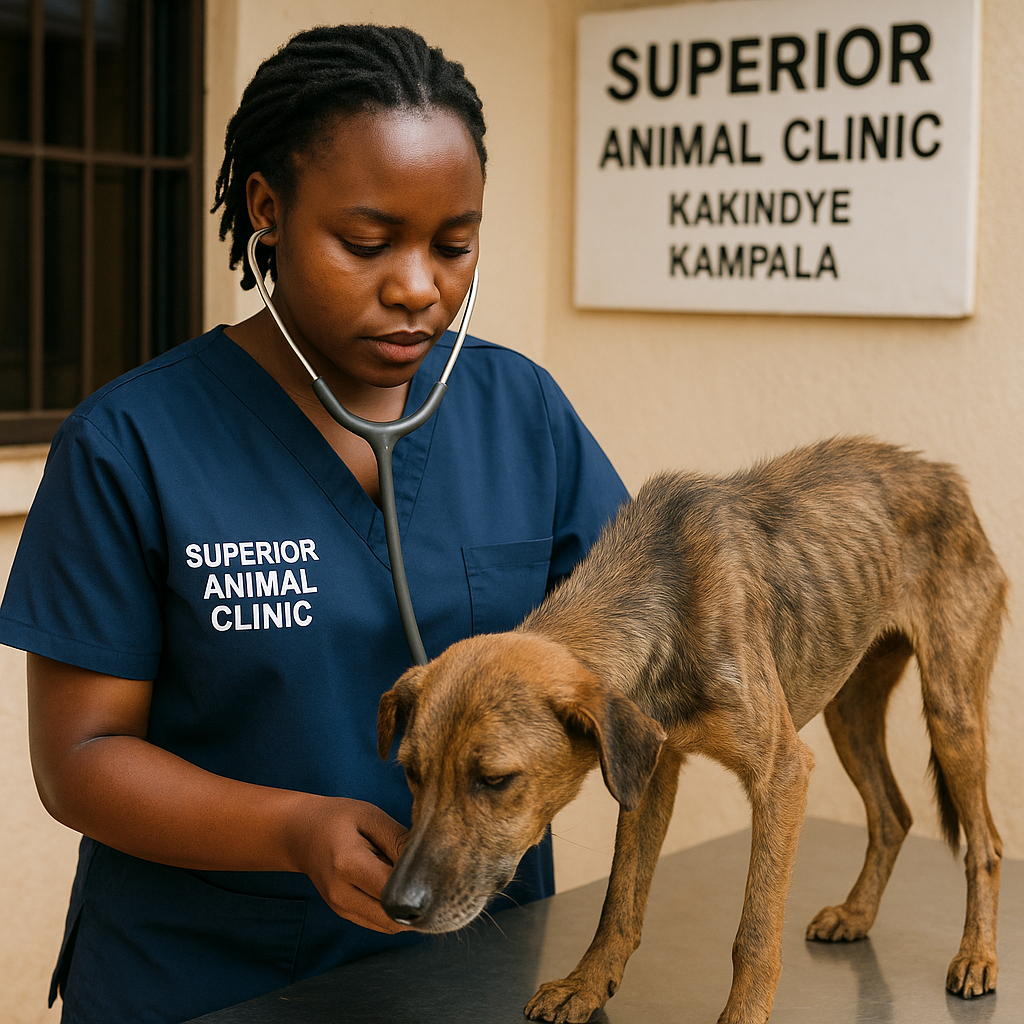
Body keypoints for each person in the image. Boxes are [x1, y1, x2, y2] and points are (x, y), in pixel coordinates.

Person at [0, 24, 628, 1024]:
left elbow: (637, 646)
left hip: (474, 971)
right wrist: (295, 830)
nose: (418, 286)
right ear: (268, 210)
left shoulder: (524, 413)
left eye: (453, 244)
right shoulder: (130, 440)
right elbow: (79, 759)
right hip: (206, 980)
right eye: (367, 242)